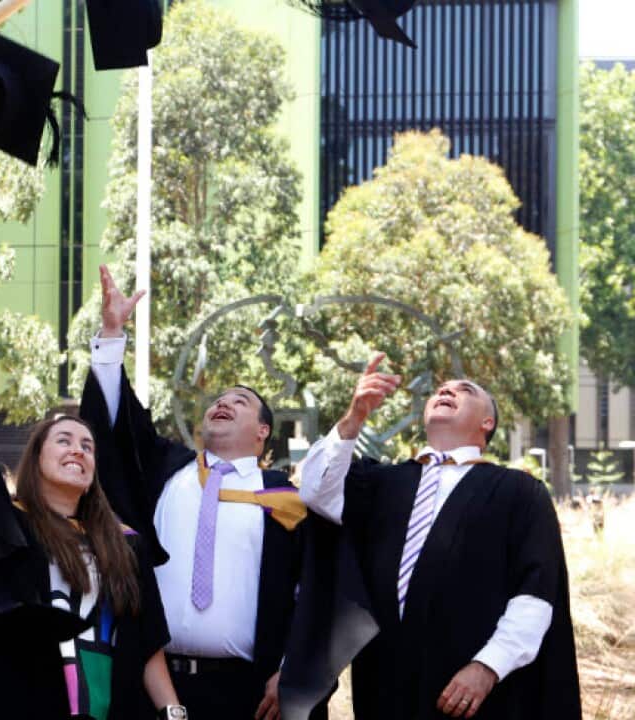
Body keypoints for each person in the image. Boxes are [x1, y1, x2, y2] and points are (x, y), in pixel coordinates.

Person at [0, 293, 183, 720]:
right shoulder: (9, 523)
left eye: (87, 446)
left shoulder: (124, 544)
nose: (77, 450)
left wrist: (174, 713)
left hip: (108, 702)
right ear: (35, 458)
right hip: (20, 702)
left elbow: (146, 641)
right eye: (63, 441)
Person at [76, 266, 318, 720]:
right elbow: (117, 427)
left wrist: (293, 668)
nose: (223, 402)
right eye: (219, 399)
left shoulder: (284, 501)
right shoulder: (167, 470)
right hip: (155, 682)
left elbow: (312, 595)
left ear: (263, 431)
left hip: (247, 692)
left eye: (240, 401)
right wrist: (112, 335)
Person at [294, 354, 581, 719]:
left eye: (466, 390)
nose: (447, 389)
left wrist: (487, 666)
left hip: (471, 690)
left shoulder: (519, 492)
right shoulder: (382, 481)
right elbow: (315, 492)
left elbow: (536, 595)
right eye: (442, 389)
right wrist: (355, 417)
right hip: (384, 683)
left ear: (487, 423)